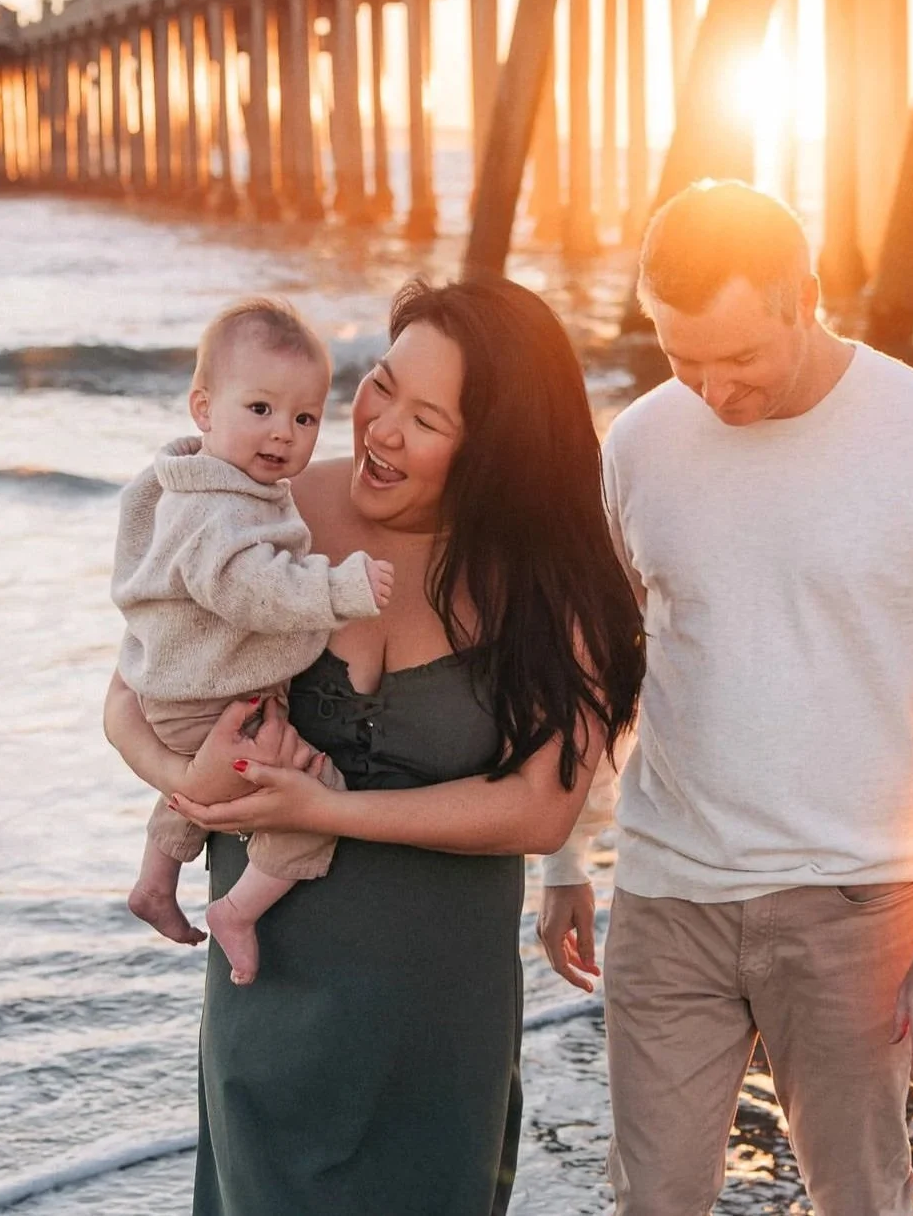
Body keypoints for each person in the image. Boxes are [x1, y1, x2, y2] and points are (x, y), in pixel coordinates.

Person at [538, 181, 913, 1216]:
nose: (714, 392)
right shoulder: (638, 443)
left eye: (739, 359)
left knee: (858, 1195)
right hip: (668, 891)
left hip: (855, 899)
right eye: (683, 359)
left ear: (803, 296)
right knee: (652, 1199)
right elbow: (591, 665)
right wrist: (561, 855)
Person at [104, 277, 644, 1216]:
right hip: (269, 992)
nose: (381, 426)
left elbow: (539, 805)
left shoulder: (551, 587)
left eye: (425, 417)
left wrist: (323, 810)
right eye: (382, 385)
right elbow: (132, 690)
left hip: (436, 1016)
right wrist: (180, 780)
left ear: (494, 453)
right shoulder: (265, 506)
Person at [116, 297, 394, 986]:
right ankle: (236, 912)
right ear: (203, 409)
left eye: (304, 417)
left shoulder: (194, 485)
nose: (283, 434)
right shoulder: (221, 509)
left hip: (180, 692)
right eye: (261, 409)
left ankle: (155, 879)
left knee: (198, 775)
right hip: (208, 695)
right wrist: (339, 588)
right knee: (311, 789)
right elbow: (248, 587)